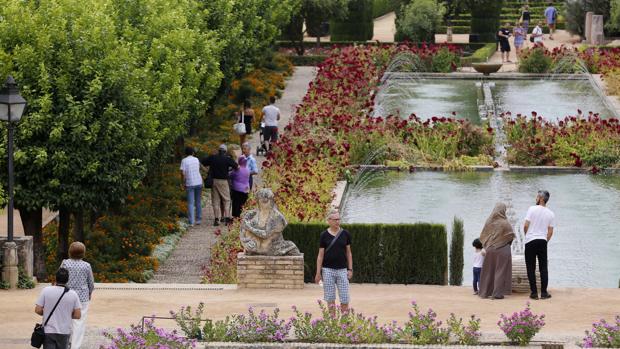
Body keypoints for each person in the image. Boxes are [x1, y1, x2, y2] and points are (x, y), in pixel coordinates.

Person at [315, 210, 353, 315]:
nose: (338, 221)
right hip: (327, 271)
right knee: (330, 300)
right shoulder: (324, 235)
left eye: (339, 219)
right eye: (335, 219)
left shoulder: (346, 234)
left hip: (342, 270)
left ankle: (344, 324)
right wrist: (318, 273)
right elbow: (320, 255)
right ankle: (333, 325)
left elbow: (349, 253)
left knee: (345, 299)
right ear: (329, 221)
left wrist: (350, 269)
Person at [35, 268, 81, 349]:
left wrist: (46, 312)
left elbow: (38, 310)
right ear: (67, 279)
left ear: (55, 278)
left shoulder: (46, 290)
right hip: (64, 331)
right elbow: (78, 315)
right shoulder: (73, 294)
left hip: (48, 330)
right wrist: (67, 314)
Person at [60, 242, 94, 349]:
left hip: (67, 295)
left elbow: (59, 278)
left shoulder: (65, 263)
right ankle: (75, 346)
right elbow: (91, 282)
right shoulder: (87, 265)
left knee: (66, 319)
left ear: (70, 252)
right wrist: (90, 293)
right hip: (82, 297)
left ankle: (66, 343)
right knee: (79, 321)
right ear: (83, 253)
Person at [478, 202, 515, 300]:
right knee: (500, 271)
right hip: (503, 250)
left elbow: (483, 236)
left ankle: (485, 292)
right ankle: (497, 294)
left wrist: (488, 245)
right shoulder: (505, 223)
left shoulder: (489, 221)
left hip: (490, 249)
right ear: (503, 210)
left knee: (488, 271)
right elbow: (511, 236)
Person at [524, 190, 555, 300]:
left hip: (530, 241)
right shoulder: (551, 213)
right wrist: (544, 241)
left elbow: (526, 225)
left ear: (541, 199)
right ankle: (544, 293)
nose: (536, 198)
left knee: (530, 268)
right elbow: (550, 232)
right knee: (543, 268)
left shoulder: (531, 209)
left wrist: (527, 236)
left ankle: (534, 293)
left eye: (537, 197)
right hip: (542, 241)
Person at [201, 144, 238, 226]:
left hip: (214, 181)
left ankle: (216, 219)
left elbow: (202, 162)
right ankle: (227, 219)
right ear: (225, 151)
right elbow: (236, 166)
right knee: (227, 200)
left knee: (216, 201)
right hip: (224, 182)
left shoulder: (212, 157)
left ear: (219, 150)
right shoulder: (227, 159)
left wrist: (207, 171)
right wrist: (229, 169)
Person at [180, 146, 203, 226]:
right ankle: (199, 219)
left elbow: (183, 174)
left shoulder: (184, 161)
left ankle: (191, 221)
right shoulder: (196, 159)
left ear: (185, 153)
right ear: (193, 152)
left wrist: (182, 183)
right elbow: (199, 169)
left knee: (190, 203)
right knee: (198, 201)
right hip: (198, 182)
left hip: (190, 183)